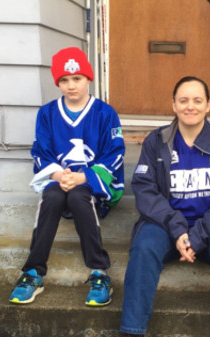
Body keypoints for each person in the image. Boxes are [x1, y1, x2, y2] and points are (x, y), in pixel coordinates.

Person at [107, 76, 210, 337]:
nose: (191, 106)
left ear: (209, 105)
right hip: (166, 224)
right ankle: (132, 335)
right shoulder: (156, 141)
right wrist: (177, 230)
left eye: (198, 100)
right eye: (184, 100)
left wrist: (197, 236)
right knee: (145, 246)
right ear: (173, 104)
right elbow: (145, 191)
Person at [9, 47, 125, 307]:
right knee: (51, 195)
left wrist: (84, 178)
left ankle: (99, 272)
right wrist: (58, 174)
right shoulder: (48, 113)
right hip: (60, 180)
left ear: (88, 79)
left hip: (90, 185)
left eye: (77, 78)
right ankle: (33, 272)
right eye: (64, 80)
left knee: (77, 196)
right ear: (58, 83)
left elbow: (115, 154)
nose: (71, 86)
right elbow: (41, 153)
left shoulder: (105, 113)